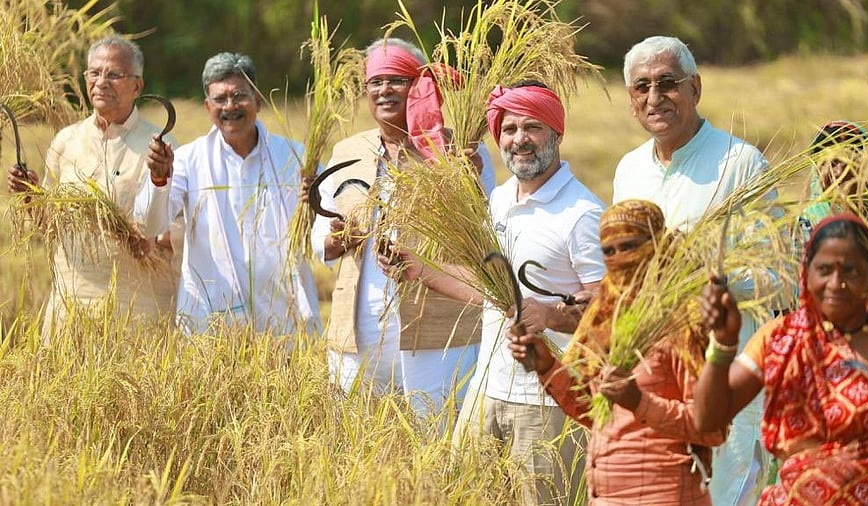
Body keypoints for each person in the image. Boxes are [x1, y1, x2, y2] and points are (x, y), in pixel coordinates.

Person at [611, 35, 774, 504]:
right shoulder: (629, 171)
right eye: (642, 87)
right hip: (654, 388)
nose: (655, 97)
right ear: (630, 102)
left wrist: (702, 274)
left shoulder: (740, 164)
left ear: (696, 88)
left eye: (668, 83)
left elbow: (776, 276)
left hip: (724, 382)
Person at [312, 38, 495, 420]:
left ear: (420, 85)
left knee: (435, 441)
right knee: (354, 445)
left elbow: (487, 234)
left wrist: (470, 180)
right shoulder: (348, 151)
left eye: (396, 79)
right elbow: (320, 238)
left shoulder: (457, 152)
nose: (384, 90)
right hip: (356, 337)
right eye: (375, 82)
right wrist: (336, 237)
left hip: (438, 338)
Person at [507, 199, 726, 505]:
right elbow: (594, 413)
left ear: (658, 248)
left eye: (631, 246)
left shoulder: (681, 325)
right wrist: (546, 366)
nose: (620, 258)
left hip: (664, 495)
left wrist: (640, 402)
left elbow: (712, 428)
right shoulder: (607, 321)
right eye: (609, 251)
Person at [450, 81, 606, 505]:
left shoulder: (582, 213)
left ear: (557, 133)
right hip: (486, 390)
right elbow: (483, 291)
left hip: (549, 403)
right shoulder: (499, 200)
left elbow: (607, 305)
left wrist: (550, 315)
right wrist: (416, 268)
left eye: (532, 127)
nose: (519, 139)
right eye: (509, 128)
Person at [696, 213, 868, 505]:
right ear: (807, 272)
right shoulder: (780, 339)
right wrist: (723, 346)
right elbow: (709, 419)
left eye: (851, 271)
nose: (836, 283)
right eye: (825, 269)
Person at [134, 52, 320, 340]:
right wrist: (159, 178)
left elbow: (323, 233)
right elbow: (150, 226)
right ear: (208, 106)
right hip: (212, 325)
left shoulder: (296, 157)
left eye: (239, 96)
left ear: (257, 100)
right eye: (220, 99)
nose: (230, 106)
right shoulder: (188, 160)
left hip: (286, 322)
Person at [6, 35, 178, 338]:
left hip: (138, 308)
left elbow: (177, 227)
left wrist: (151, 239)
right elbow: (52, 226)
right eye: (94, 73)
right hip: (72, 305)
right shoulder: (66, 142)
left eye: (114, 74)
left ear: (137, 86)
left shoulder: (160, 147)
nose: (101, 82)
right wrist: (30, 197)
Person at [800, 120, 868, 244]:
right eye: (830, 164)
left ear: (865, 166)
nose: (838, 172)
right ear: (817, 170)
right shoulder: (808, 224)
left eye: (846, 161)